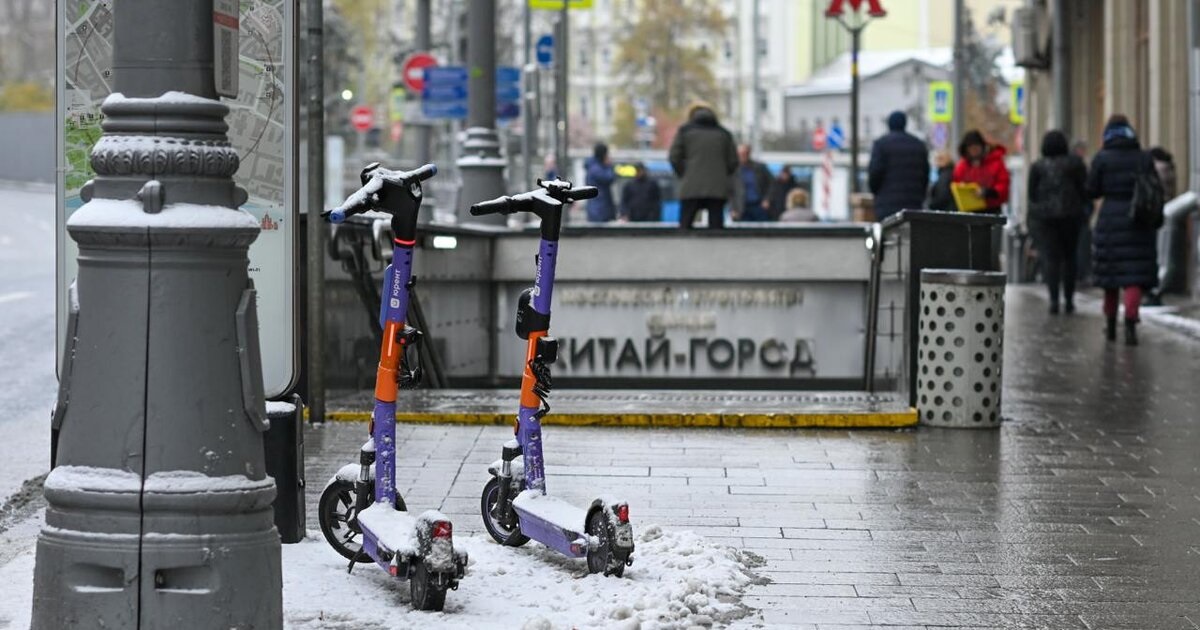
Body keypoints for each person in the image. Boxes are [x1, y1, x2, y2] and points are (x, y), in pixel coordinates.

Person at [1088, 115, 1160, 345]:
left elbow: (1093, 190)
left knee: (1111, 276)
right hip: (1138, 219)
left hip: (1109, 219)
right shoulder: (1143, 157)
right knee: (1134, 276)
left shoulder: (1102, 158)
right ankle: (1130, 321)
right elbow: (1154, 186)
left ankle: (1110, 324)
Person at [1027, 130, 1088, 314]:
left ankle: (1054, 300)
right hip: (1071, 216)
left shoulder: (1038, 166)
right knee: (1070, 257)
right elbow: (1083, 189)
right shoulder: (1075, 164)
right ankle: (1069, 300)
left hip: (1045, 219)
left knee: (1050, 259)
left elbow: (1032, 194)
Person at [668, 102, 738, 230]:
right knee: (716, 226)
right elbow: (733, 161)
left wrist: (684, 174)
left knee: (685, 226)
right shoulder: (724, 134)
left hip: (690, 187)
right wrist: (722, 174)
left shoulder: (685, 132)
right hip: (718, 188)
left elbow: (674, 157)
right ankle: (717, 250)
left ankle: (683, 249)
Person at [867, 110, 930, 220]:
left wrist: (876, 193)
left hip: (886, 203)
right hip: (913, 203)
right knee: (910, 235)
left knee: (888, 235)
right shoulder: (919, 145)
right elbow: (925, 175)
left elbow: (875, 173)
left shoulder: (881, 144)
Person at [951, 130, 1010, 213]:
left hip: (991, 209)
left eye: (976, 147)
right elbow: (955, 183)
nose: (974, 151)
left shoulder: (996, 163)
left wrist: (988, 192)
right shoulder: (961, 167)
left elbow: (1003, 185)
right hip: (968, 210)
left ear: (982, 147)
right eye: (971, 148)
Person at [733, 144, 773, 221]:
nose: (742, 156)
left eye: (745, 153)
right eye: (740, 154)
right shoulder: (734, 170)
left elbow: (772, 183)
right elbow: (731, 191)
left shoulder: (760, 167)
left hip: (758, 206)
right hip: (741, 207)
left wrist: (767, 199)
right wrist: (733, 208)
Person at [583, 142, 616, 222]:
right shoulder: (596, 168)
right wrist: (609, 166)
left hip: (598, 208)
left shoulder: (592, 165)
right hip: (599, 210)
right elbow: (609, 178)